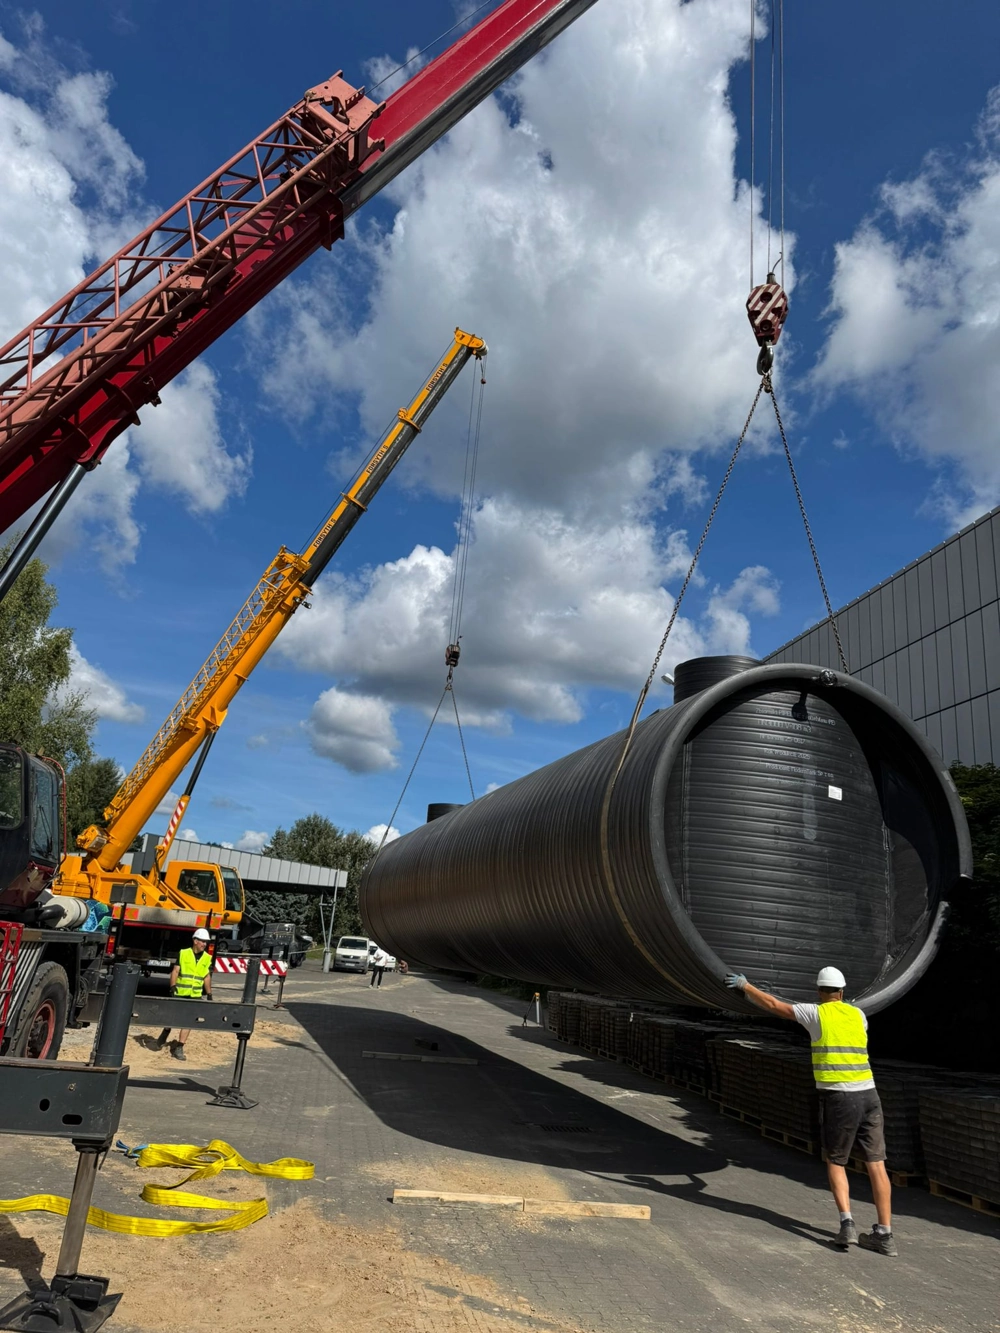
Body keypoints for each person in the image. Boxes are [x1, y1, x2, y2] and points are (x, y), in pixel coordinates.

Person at [725, 965, 896, 1256]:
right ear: (842, 992)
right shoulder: (858, 1015)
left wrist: (745, 986)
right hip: (869, 1095)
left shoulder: (815, 1014)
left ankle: (847, 1225)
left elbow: (774, 1005)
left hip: (839, 1098)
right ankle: (885, 1234)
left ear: (819, 991)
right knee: (876, 1163)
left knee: (836, 1160)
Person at [155, 927, 213, 1060]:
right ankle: (166, 1031)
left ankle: (179, 1047)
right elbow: (175, 971)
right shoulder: (183, 953)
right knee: (172, 1016)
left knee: (188, 1021)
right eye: (202, 941)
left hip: (195, 994)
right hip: (180, 992)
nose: (205, 944)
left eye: (206, 942)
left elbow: (206, 976)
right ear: (195, 941)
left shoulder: (207, 957)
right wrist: (172, 986)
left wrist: (209, 993)